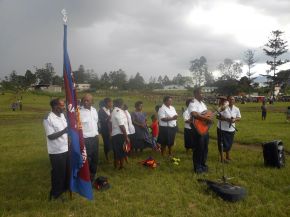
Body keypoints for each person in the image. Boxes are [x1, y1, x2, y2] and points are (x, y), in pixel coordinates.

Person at [43, 98, 70, 200]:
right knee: (58, 174)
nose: (64, 107)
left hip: (66, 148)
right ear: (55, 106)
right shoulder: (48, 118)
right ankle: (56, 194)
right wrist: (64, 131)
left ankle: (65, 189)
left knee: (66, 171)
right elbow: (50, 136)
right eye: (62, 106)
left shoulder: (62, 115)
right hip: (56, 151)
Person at [188, 88, 213, 174]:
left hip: (204, 129)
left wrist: (208, 118)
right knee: (199, 148)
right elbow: (194, 114)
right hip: (197, 129)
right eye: (200, 93)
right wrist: (206, 118)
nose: (202, 95)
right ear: (195, 94)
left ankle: (203, 165)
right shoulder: (193, 103)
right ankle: (197, 168)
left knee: (205, 148)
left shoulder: (203, 104)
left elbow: (207, 114)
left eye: (203, 93)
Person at [80, 93, 99, 182]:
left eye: (88, 100)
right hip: (85, 139)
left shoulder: (94, 110)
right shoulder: (79, 112)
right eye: (84, 100)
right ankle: (85, 177)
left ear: (92, 101)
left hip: (95, 138)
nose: (85, 102)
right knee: (87, 159)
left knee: (95, 158)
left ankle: (93, 176)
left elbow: (96, 123)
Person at [216, 96, 241, 162]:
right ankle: (222, 158)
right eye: (230, 99)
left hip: (231, 129)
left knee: (229, 143)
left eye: (233, 99)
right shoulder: (223, 107)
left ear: (234, 101)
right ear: (227, 100)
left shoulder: (236, 109)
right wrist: (226, 119)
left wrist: (234, 119)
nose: (231, 101)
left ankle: (228, 156)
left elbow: (239, 117)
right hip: (222, 128)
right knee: (221, 143)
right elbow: (217, 116)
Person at [111, 98, 129, 169]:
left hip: (117, 134)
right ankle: (121, 166)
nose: (123, 105)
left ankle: (117, 166)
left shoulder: (114, 111)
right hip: (119, 134)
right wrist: (126, 136)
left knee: (118, 151)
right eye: (122, 103)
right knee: (121, 151)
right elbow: (121, 125)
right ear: (120, 104)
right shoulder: (118, 111)